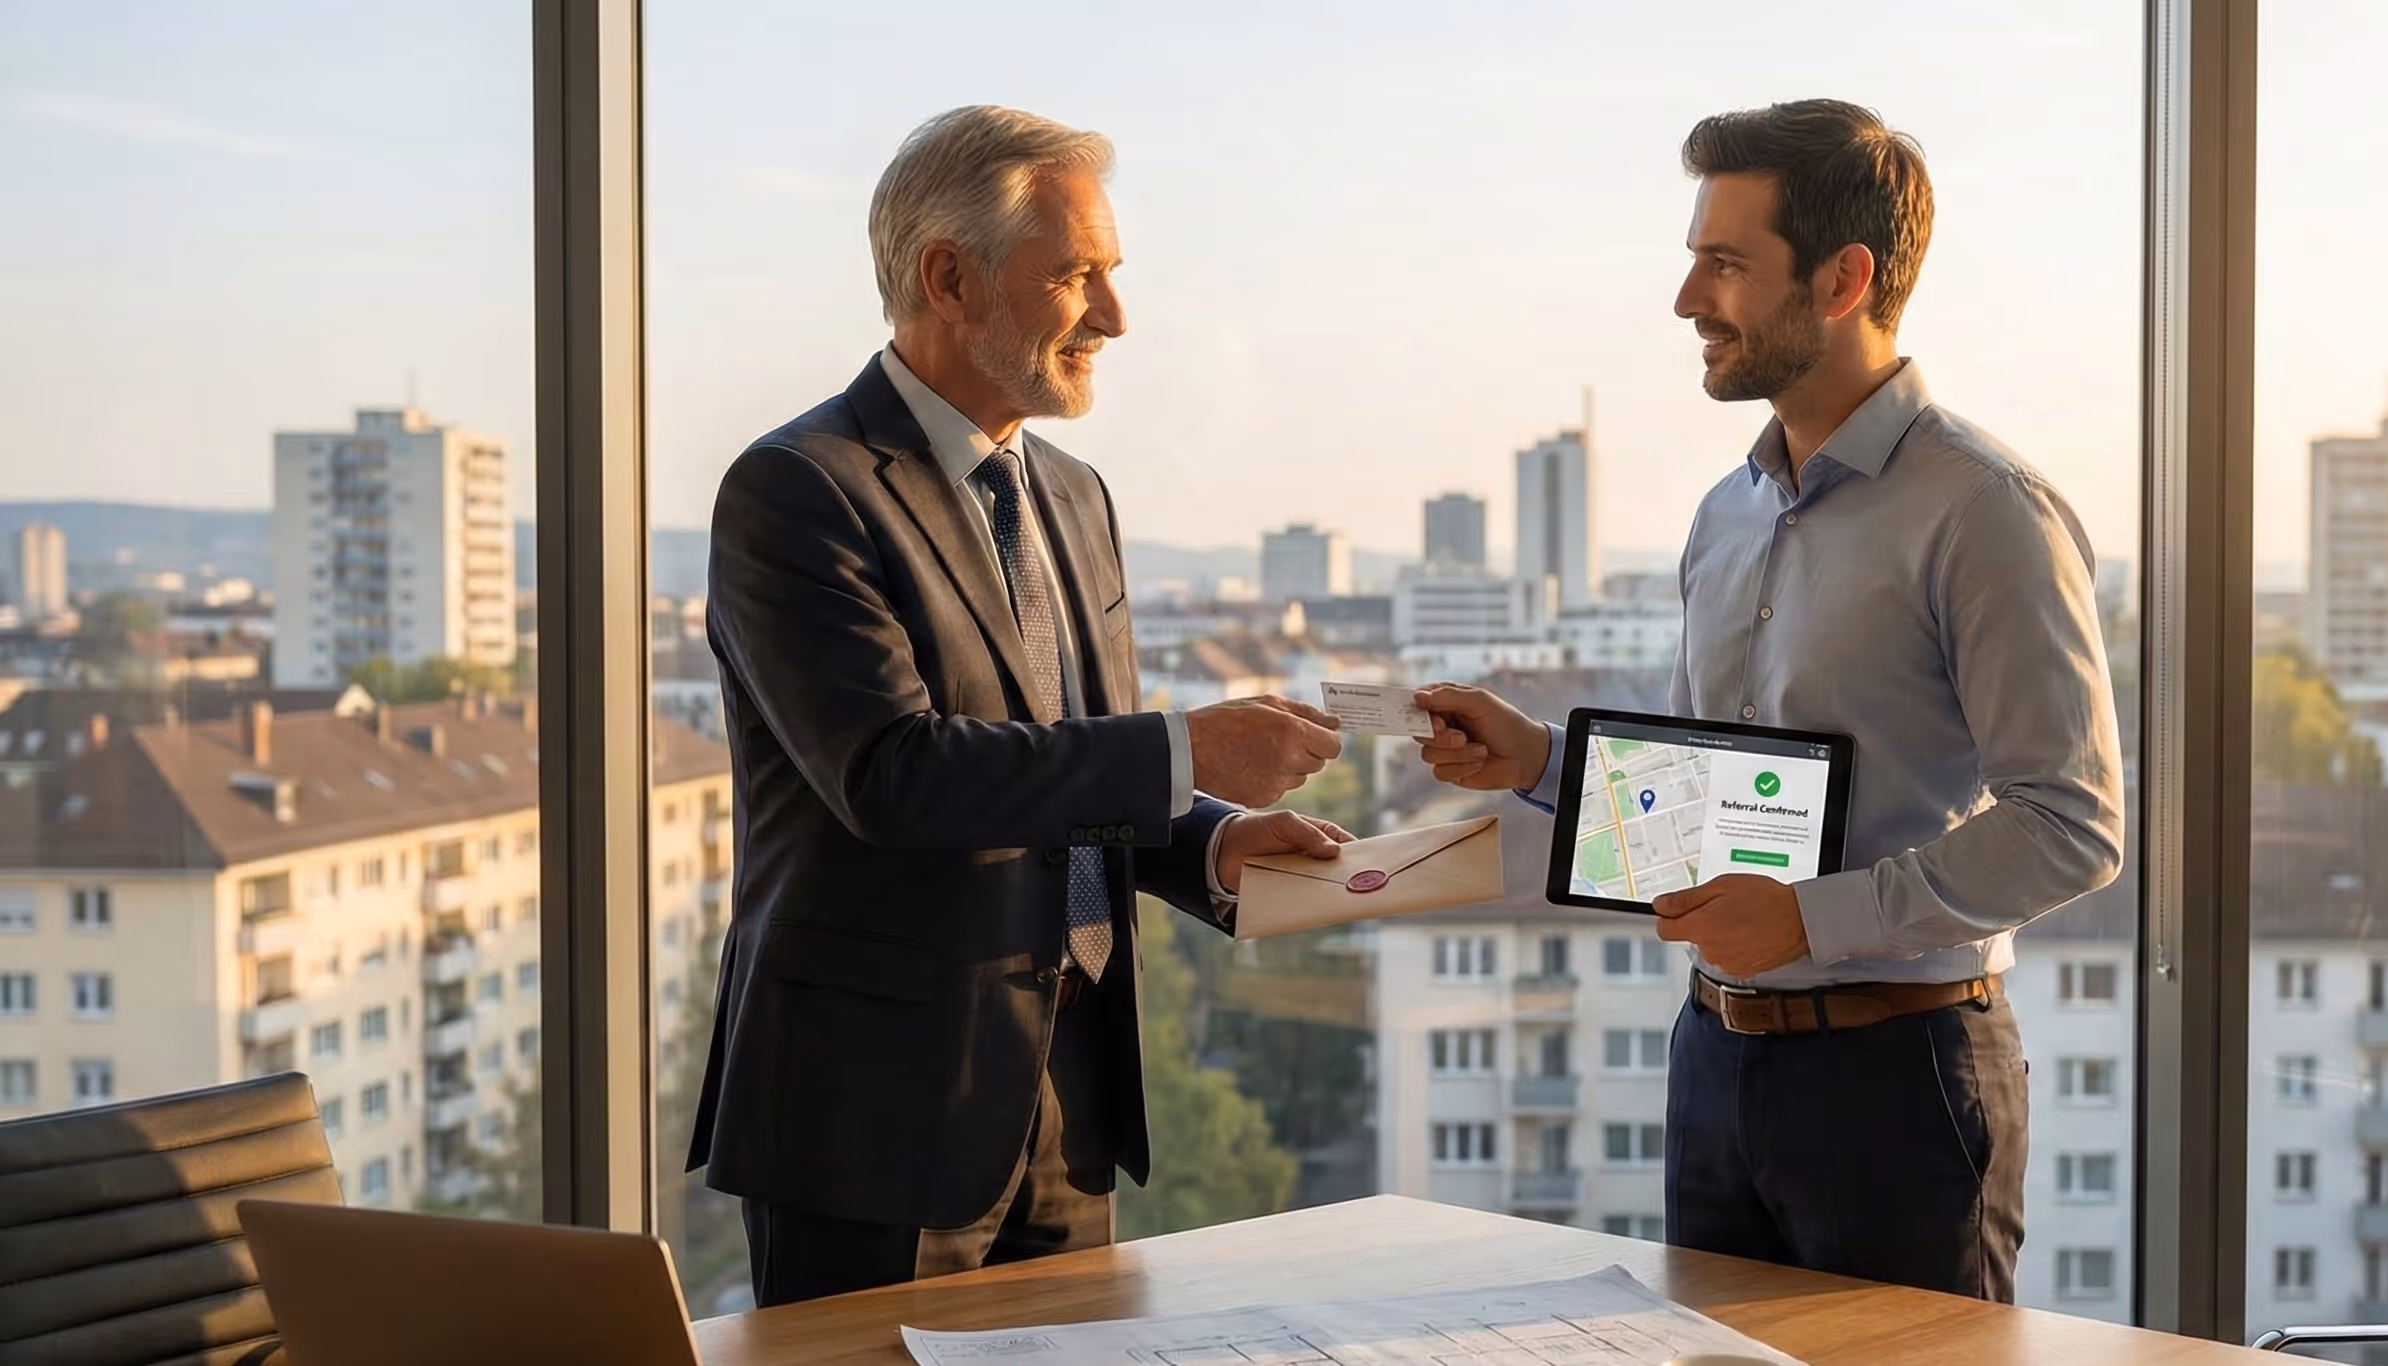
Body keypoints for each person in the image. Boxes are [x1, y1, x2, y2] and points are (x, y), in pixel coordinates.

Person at [1416, 99, 2123, 1300]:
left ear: (1842, 279)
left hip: (1901, 1080)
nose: (1688, 299)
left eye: (1723, 263)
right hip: (1713, 1062)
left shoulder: (1984, 509)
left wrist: (1810, 919)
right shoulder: (1725, 512)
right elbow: (1714, 803)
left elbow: (2073, 825)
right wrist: (1537, 756)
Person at [689, 105, 1351, 1308]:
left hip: (1070, 1101)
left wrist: (1209, 836)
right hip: (871, 1120)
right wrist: (1189, 747)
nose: (1114, 316)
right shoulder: (797, 491)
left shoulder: (1074, 494)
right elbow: (893, 774)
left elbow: (1068, 763)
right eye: (1077, 275)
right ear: (949, 277)